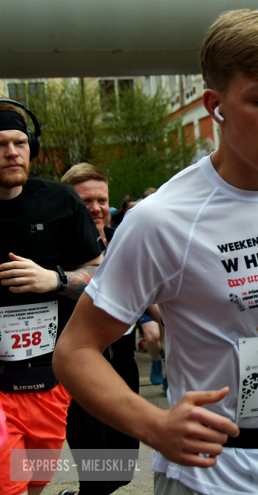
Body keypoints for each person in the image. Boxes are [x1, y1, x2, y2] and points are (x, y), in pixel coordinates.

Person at [53, 9, 258, 495]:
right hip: (209, 477)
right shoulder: (162, 219)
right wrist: (152, 425)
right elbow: (75, 351)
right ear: (217, 105)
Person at [0, 99, 103, 495]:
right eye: (1, 144)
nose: (12, 152)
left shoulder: (61, 201)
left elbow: (102, 274)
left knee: (35, 481)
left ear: (32, 148)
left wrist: (54, 280)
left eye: (20, 142)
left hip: (48, 378)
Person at [60, 163, 140, 495]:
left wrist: (157, 318)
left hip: (123, 356)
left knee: (123, 464)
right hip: (81, 359)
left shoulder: (125, 237)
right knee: (96, 465)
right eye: (85, 201)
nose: (95, 208)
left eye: (101, 200)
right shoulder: (56, 246)